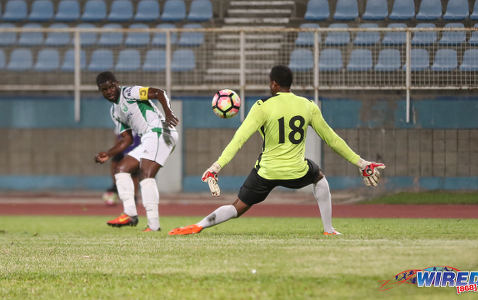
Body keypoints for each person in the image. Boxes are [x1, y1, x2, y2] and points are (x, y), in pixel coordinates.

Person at [168, 65, 385, 236]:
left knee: (237, 208)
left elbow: (239, 139)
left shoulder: (262, 106)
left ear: (273, 85)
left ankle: (199, 225)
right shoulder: (308, 106)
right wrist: (361, 162)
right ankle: (329, 229)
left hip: (266, 172)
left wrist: (216, 166)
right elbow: (332, 139)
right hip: (296, 171)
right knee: (319, 177)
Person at [95, 71, 179, 232]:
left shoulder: (129, 92)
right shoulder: (114, 111)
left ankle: (153, 226)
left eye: (111, 87)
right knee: (121, 169)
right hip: (149, 137)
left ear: (116, 83)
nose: (109, 91)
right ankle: (130, 214)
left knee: (145, 174)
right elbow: (127, 140)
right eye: (105, 90)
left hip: (160, 131)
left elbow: (158, 92)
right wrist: (109, 153)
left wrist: (168, 113)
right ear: (101, 91)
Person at [101, 126, 141, 206]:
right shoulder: (120, 124)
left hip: (135, 151)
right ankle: (116, 185)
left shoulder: (138, 124)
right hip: (123, 150)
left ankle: (134, 196)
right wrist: (115, 150)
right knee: (114, 163)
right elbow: (117, 139)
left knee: (134, 174)